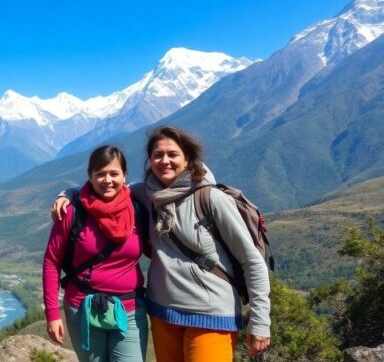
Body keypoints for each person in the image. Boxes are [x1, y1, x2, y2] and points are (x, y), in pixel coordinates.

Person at [51, 126, 270, 361]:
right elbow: (104, 185)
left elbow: (251, 261)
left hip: (211, 314)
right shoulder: (147, 193)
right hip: (163, 314)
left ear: (187, 158)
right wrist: (68, 194)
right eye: (158, 155)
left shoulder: (211, 199)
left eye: (172, 154)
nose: (165, 161)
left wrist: (260, 320)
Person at [43, 145, 148, 362]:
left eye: (114, 173)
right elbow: (52, 262)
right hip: (83, 309)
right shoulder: (72, 212)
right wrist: (52, 314)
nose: (107, 180)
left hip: (128, 309)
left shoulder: (138, 210)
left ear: (125, 175)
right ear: (89, 176)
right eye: (100, 174)